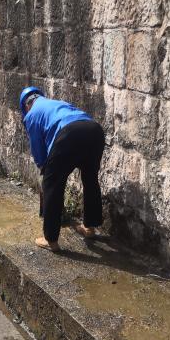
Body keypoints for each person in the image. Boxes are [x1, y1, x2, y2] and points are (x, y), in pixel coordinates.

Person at [19, 86, 105, 253]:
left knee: (52, 185)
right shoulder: (56, 103)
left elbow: (38, 149)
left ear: (26, 105)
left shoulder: (32, 114)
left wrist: (44, 168)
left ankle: (50, 239)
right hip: (94, 130)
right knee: (90, 179)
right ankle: (90, 226)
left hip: (70, 133)